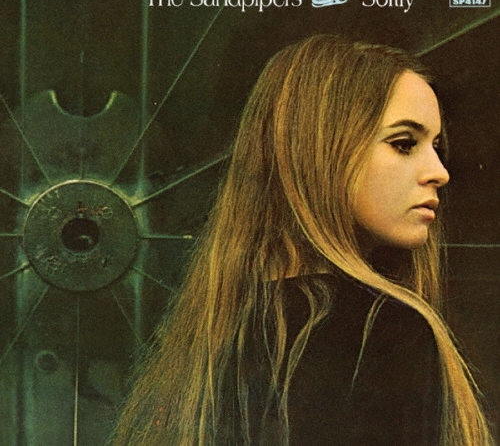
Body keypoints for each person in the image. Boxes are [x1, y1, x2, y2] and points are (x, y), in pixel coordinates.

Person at [112, 35, 493, 445]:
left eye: (435, 146)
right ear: (320, 150)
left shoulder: (213, 333)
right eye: (404, 144)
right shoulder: (386, 329)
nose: (439, 172)